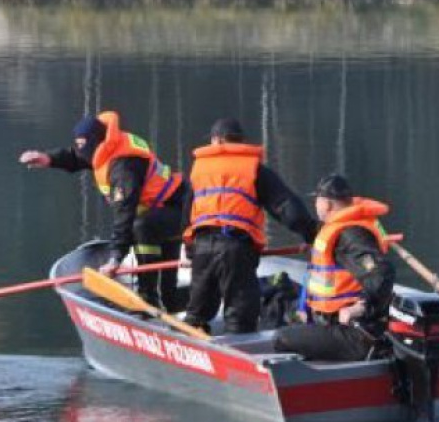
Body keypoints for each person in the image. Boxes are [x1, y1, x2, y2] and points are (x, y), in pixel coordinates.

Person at [19, 111, 186, 312]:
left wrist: (116, 257)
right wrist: (48, 159)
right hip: (159, 213)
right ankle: (164, 299)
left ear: (95, 143)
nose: (79, 149)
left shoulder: (123, 168)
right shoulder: (106, 146)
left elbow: (125, 214)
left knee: (140, 227)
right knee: (145, 232)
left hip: (177, 210)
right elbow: (78, 157)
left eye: (82, 145)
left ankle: (148, 298)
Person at [183, 118, 318, 334]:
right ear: (241, 141)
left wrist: (190, 250)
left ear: (216, 140)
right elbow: (286, 208)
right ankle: (237, 356)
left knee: (197, 311)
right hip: (236, 248)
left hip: (203, 246)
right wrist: (312, 233)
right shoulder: (255, 170)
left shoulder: (199, 170)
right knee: (240, 314)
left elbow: (188, 214)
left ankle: (188, 350)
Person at [273, 174, 396, 361]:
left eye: (317, 200)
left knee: (281, 339)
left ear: (327, 204)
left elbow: (381, 272)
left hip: (355, 333)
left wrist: (360, 307)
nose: (315, 204)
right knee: (279, 300)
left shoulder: (351, 234)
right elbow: (308, 228)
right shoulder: (335, 228)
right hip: (330, 320)